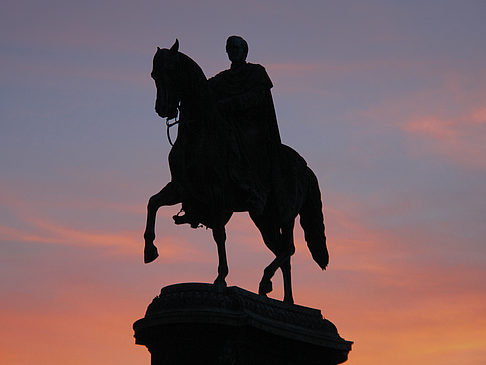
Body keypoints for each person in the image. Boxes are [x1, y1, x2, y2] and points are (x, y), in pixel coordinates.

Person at [173, 35, 282, 227]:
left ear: (244, 51)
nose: (233, 51)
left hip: (250, 126)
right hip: (229, 123)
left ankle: (250, 188)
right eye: (229, 48)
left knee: (233, 142)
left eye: (236, 48)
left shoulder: (256, 72)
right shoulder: (224, 78)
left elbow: (255, 97)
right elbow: (203, 89)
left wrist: (228, 104)